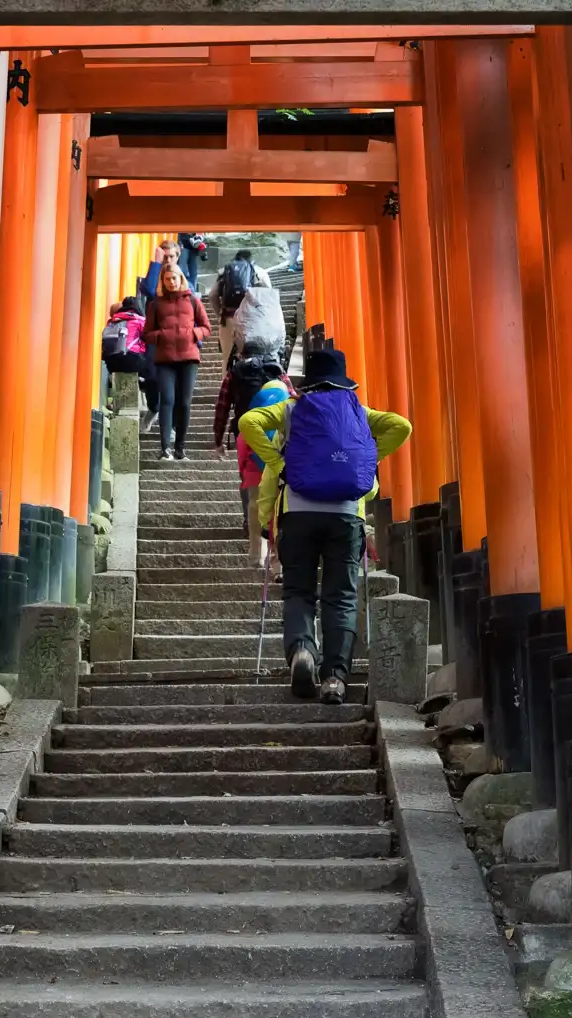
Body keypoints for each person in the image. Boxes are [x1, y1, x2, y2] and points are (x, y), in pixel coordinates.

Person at [239, 349, 411, 705]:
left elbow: (247, 423)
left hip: (299, 513)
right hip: (346, 516)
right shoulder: (359, 413)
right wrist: (366, 457)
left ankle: (302, 650)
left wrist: (279, 463)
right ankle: (335, 676)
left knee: (299, 591)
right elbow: (402, 426)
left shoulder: (290, 409)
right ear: (344, 381)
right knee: (341, 596)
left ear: (309, 383)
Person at [212, 339, 294, 564]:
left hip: (247, 436)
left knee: (253, 494)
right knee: (278, 496)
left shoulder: (235, 372)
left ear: (241, 354)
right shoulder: (277, 371)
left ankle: (255, 549)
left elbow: (222, 405)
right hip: (279, 439)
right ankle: (277, 557)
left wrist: (219, 439)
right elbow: (293, 399)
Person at [143, 263, 211, 461]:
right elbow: (147, 334)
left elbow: (207, 327)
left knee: (184, 403)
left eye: (174, 278)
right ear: (162, 281)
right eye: (167, 279)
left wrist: (193, 334)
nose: (171, 282)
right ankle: (165, 449)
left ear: (181, 278)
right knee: (167, 401)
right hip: (165, 359)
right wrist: (162, 335)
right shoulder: (155, 304)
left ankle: (180, 448)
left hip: (189, 359)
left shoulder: (193, 301)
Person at [209, 250, 271, 377]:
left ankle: (226, 391)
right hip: (252, 320)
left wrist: (220, 313)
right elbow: (268, 295)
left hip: (229, 318)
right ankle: (251, 386)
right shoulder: (259, 271)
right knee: (253, 355)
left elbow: (212, 295)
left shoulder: (224, 271)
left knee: (226, 358)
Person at [102, 297, 160, 430]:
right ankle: (153, 407)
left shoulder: (112, 322)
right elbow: (150, 340)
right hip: (132, 361)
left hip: (111, 363)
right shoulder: (141, 321)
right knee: (153, 375)